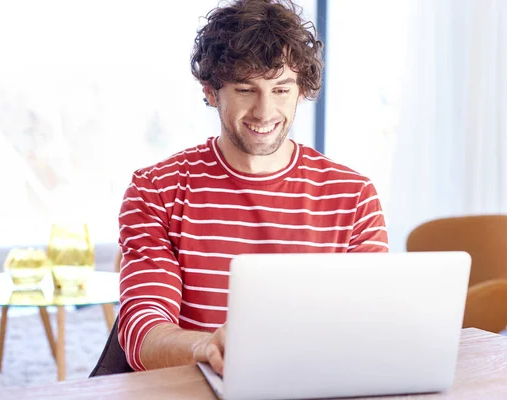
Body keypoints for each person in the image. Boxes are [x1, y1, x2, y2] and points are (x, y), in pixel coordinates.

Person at [117, 0, 388, 376]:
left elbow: (369, 323)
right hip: (196, 388)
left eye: (281, 90)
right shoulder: (156, 190)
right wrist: (205, 347)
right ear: (212, 92)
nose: (264, 112)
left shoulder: (353, 195)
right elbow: (142, 333)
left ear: (301, 90)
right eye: (246, 89)